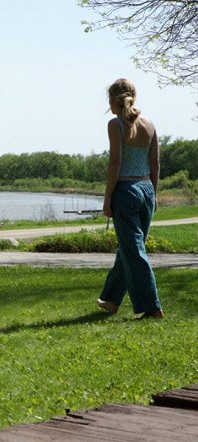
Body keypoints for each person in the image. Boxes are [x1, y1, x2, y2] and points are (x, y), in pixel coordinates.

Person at [96, 78, 163, 319]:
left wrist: (107, 198)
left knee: (133, 250)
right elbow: (154, 164)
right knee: (129, 248)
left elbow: (115, 163)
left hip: (125, 192)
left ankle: (152, 306)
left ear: (114, 101)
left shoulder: (116, 124)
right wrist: (153, 194)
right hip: (146, 190)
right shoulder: (150, 123)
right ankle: (111, 300)